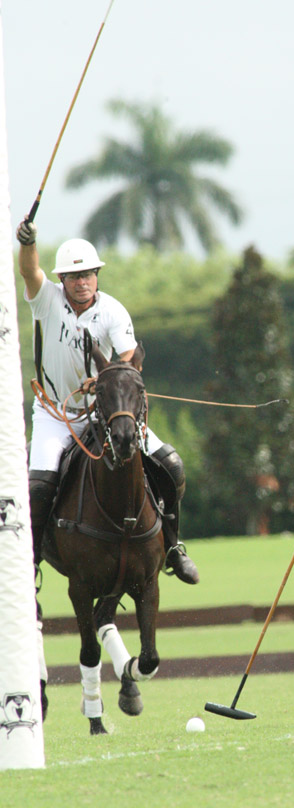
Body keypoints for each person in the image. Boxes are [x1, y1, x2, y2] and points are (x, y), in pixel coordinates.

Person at [16, 218, 199, 588]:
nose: (81, 282)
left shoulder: (113, 311)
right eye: (73, 276)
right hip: (56, 413)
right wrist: (28, 242)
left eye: (88, 275)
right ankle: (29, 564)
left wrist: (101, 380)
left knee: (172, 467)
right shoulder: (46, 300)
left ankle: (174, 547)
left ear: (97, 276)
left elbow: (129, 358)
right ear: (63, 280)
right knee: (39, 487)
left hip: (109, 414)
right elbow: (30, 270)